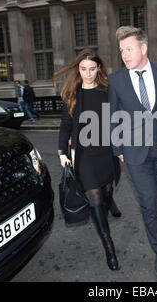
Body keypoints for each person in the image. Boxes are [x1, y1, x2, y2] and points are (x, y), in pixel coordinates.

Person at [108, 26, 157, 280]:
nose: (125, 55)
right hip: (134, 152)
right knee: (150, 203)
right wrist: (118, 148)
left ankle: (150, 207)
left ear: (143, 48)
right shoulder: (117, 79)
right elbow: (113, 116)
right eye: (121, 51)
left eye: (129, 49)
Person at [54, 49, 122, 271]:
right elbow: (65, 126)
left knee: (107, 192)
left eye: (92, 69)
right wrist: (62, 153)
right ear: (78, 69)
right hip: (84, 156)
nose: (88, 73)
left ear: (99, 68)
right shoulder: (72, 95)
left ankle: (109, 201)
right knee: (94, 198)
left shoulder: (107, 93)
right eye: (83, 69)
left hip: (106, 152)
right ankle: (109, 247)